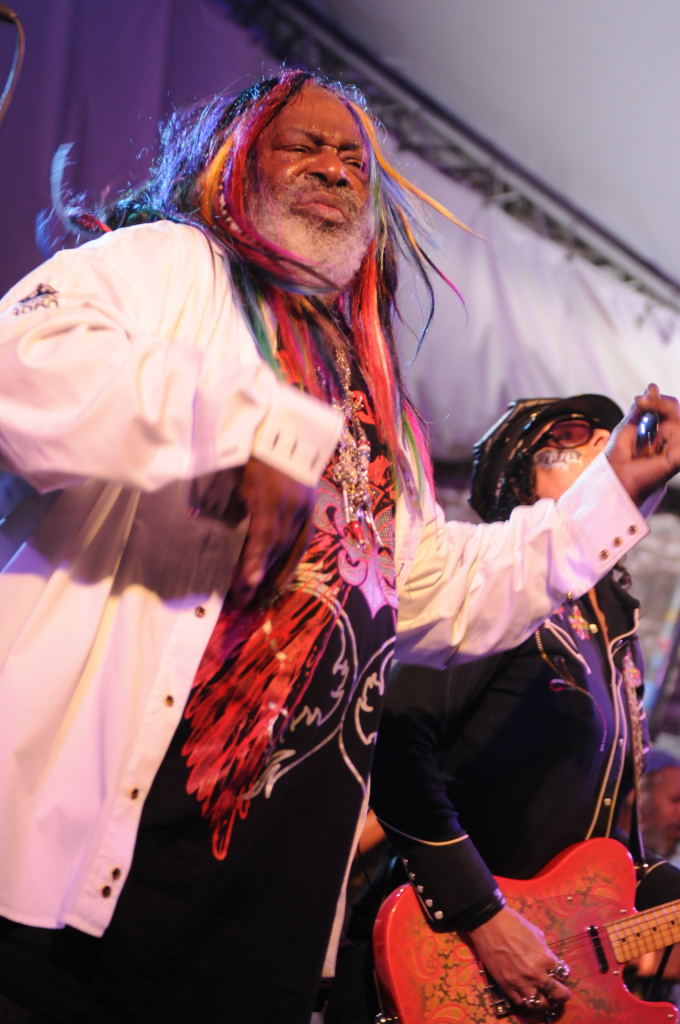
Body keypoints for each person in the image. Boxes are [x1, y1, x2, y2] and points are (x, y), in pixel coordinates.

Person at [0, 69, 678, 1024]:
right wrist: (237, 430)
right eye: (303, 145)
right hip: (90, 883)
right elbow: (25, 364)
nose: (334, 167)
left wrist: (617, 487)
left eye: (355, 158)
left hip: (258, 916)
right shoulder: (168, 266)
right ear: (231, 164)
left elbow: (436, 590)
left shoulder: (368, 391)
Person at [362, 394, 680, 1020]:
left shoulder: (615, 636)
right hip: (451, 954)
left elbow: (607, 847)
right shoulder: (496, 597)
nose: (603, 441)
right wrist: (482, 913)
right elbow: (396, 752)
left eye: (607, 432)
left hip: (542, 975)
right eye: (573, 434)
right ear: (516, 474)